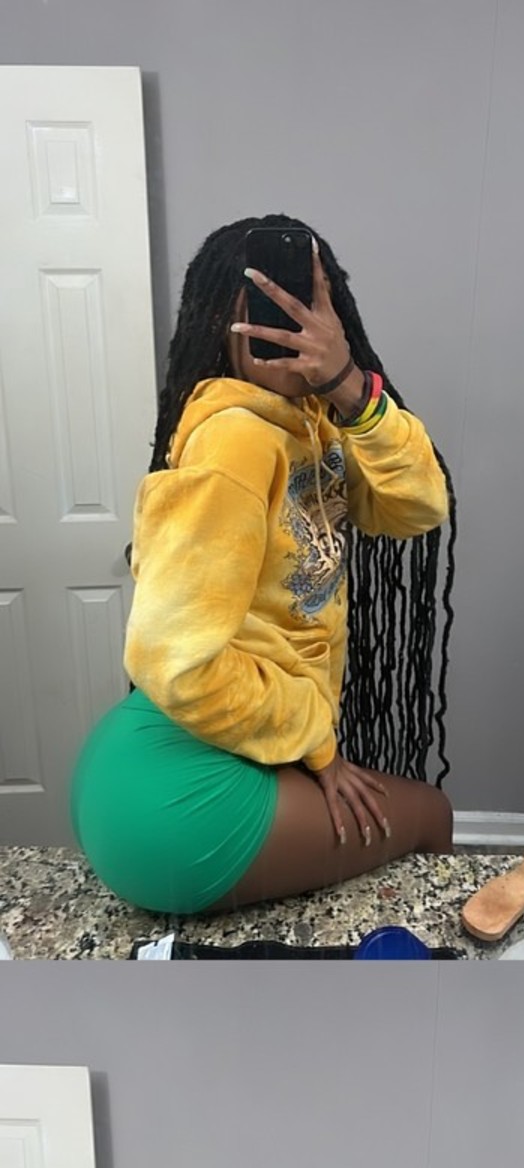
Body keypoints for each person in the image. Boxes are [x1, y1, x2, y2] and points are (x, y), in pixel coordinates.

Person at [72, 215, 455, 916]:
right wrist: (317, 742)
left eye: (307, 304)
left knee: (418, 816)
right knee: (432, 816)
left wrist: (349, 386)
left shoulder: (317, 423)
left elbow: (417, 508)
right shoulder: (235, 441)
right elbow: (174, 660)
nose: (288, 327)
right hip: (174, 795)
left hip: (200, 739)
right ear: (220, 322)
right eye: (263, 310)